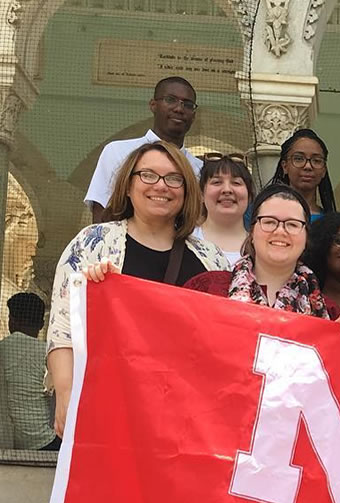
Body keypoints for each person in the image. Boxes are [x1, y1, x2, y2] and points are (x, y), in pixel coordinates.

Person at [47, 141, 230, 436]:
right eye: (148, 175)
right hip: (110, 410)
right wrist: (66, 394)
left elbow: (231, 334)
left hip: (191, 420)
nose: (161, 186)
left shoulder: (211, 258)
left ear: (186, 192)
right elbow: (63, 327)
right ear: (128, 186)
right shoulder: (93, 244)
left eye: (174, 178)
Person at [183, 184, 331, 318]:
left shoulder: (329, 311)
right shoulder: (206, 288)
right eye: (269, 222)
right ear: (252, 232)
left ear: (306, 237)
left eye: (292, 224)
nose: (280, 231)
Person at [85, 77, 202, 223]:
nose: (179, 109)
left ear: (194, 115)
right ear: (153, 105)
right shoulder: (117, 152)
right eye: (170, 100)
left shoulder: (198, 168)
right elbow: (101, 212)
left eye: (188, 105)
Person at [0, 293, 58, 450]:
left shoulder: (3, 349)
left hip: (8, 442)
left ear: (11, 320)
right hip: (45, 442)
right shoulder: (49, 353)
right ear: (41, 324)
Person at [194, 152, 254, 266]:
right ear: (201, 194)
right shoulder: (184, 242)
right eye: (217, 182)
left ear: (249, 195)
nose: (227, 190)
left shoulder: (261, 247)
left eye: (236, 183)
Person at [269, 129, 336, 221]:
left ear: (324, 170)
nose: (308, 166)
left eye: (316, 160)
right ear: (285, 166)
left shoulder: (331, 223)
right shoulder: (266, 214)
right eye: (299, 159)